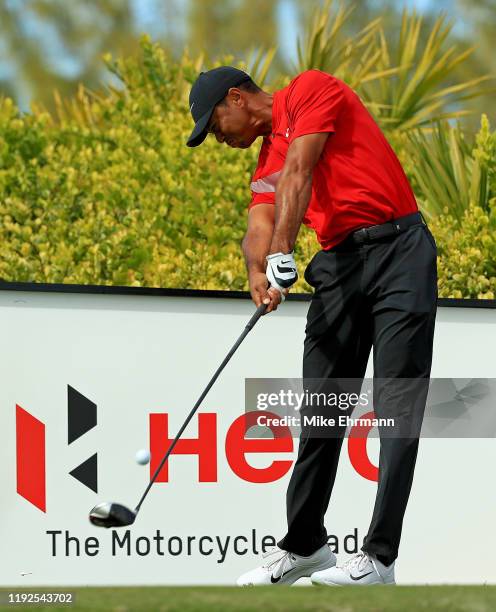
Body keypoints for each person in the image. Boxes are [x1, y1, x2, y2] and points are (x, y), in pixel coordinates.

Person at [186, 66, 437, 586]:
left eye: (214, 125)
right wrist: (259, 270)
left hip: (398, 253)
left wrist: (283, 251)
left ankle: (379, 559)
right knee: (322, 408)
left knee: (395, 410)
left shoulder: (310, 89)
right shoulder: (263, 157)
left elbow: (301, 168)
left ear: (236, 98)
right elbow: (260, 217)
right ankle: (305, 546)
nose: (218, 138)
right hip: (340, 266)